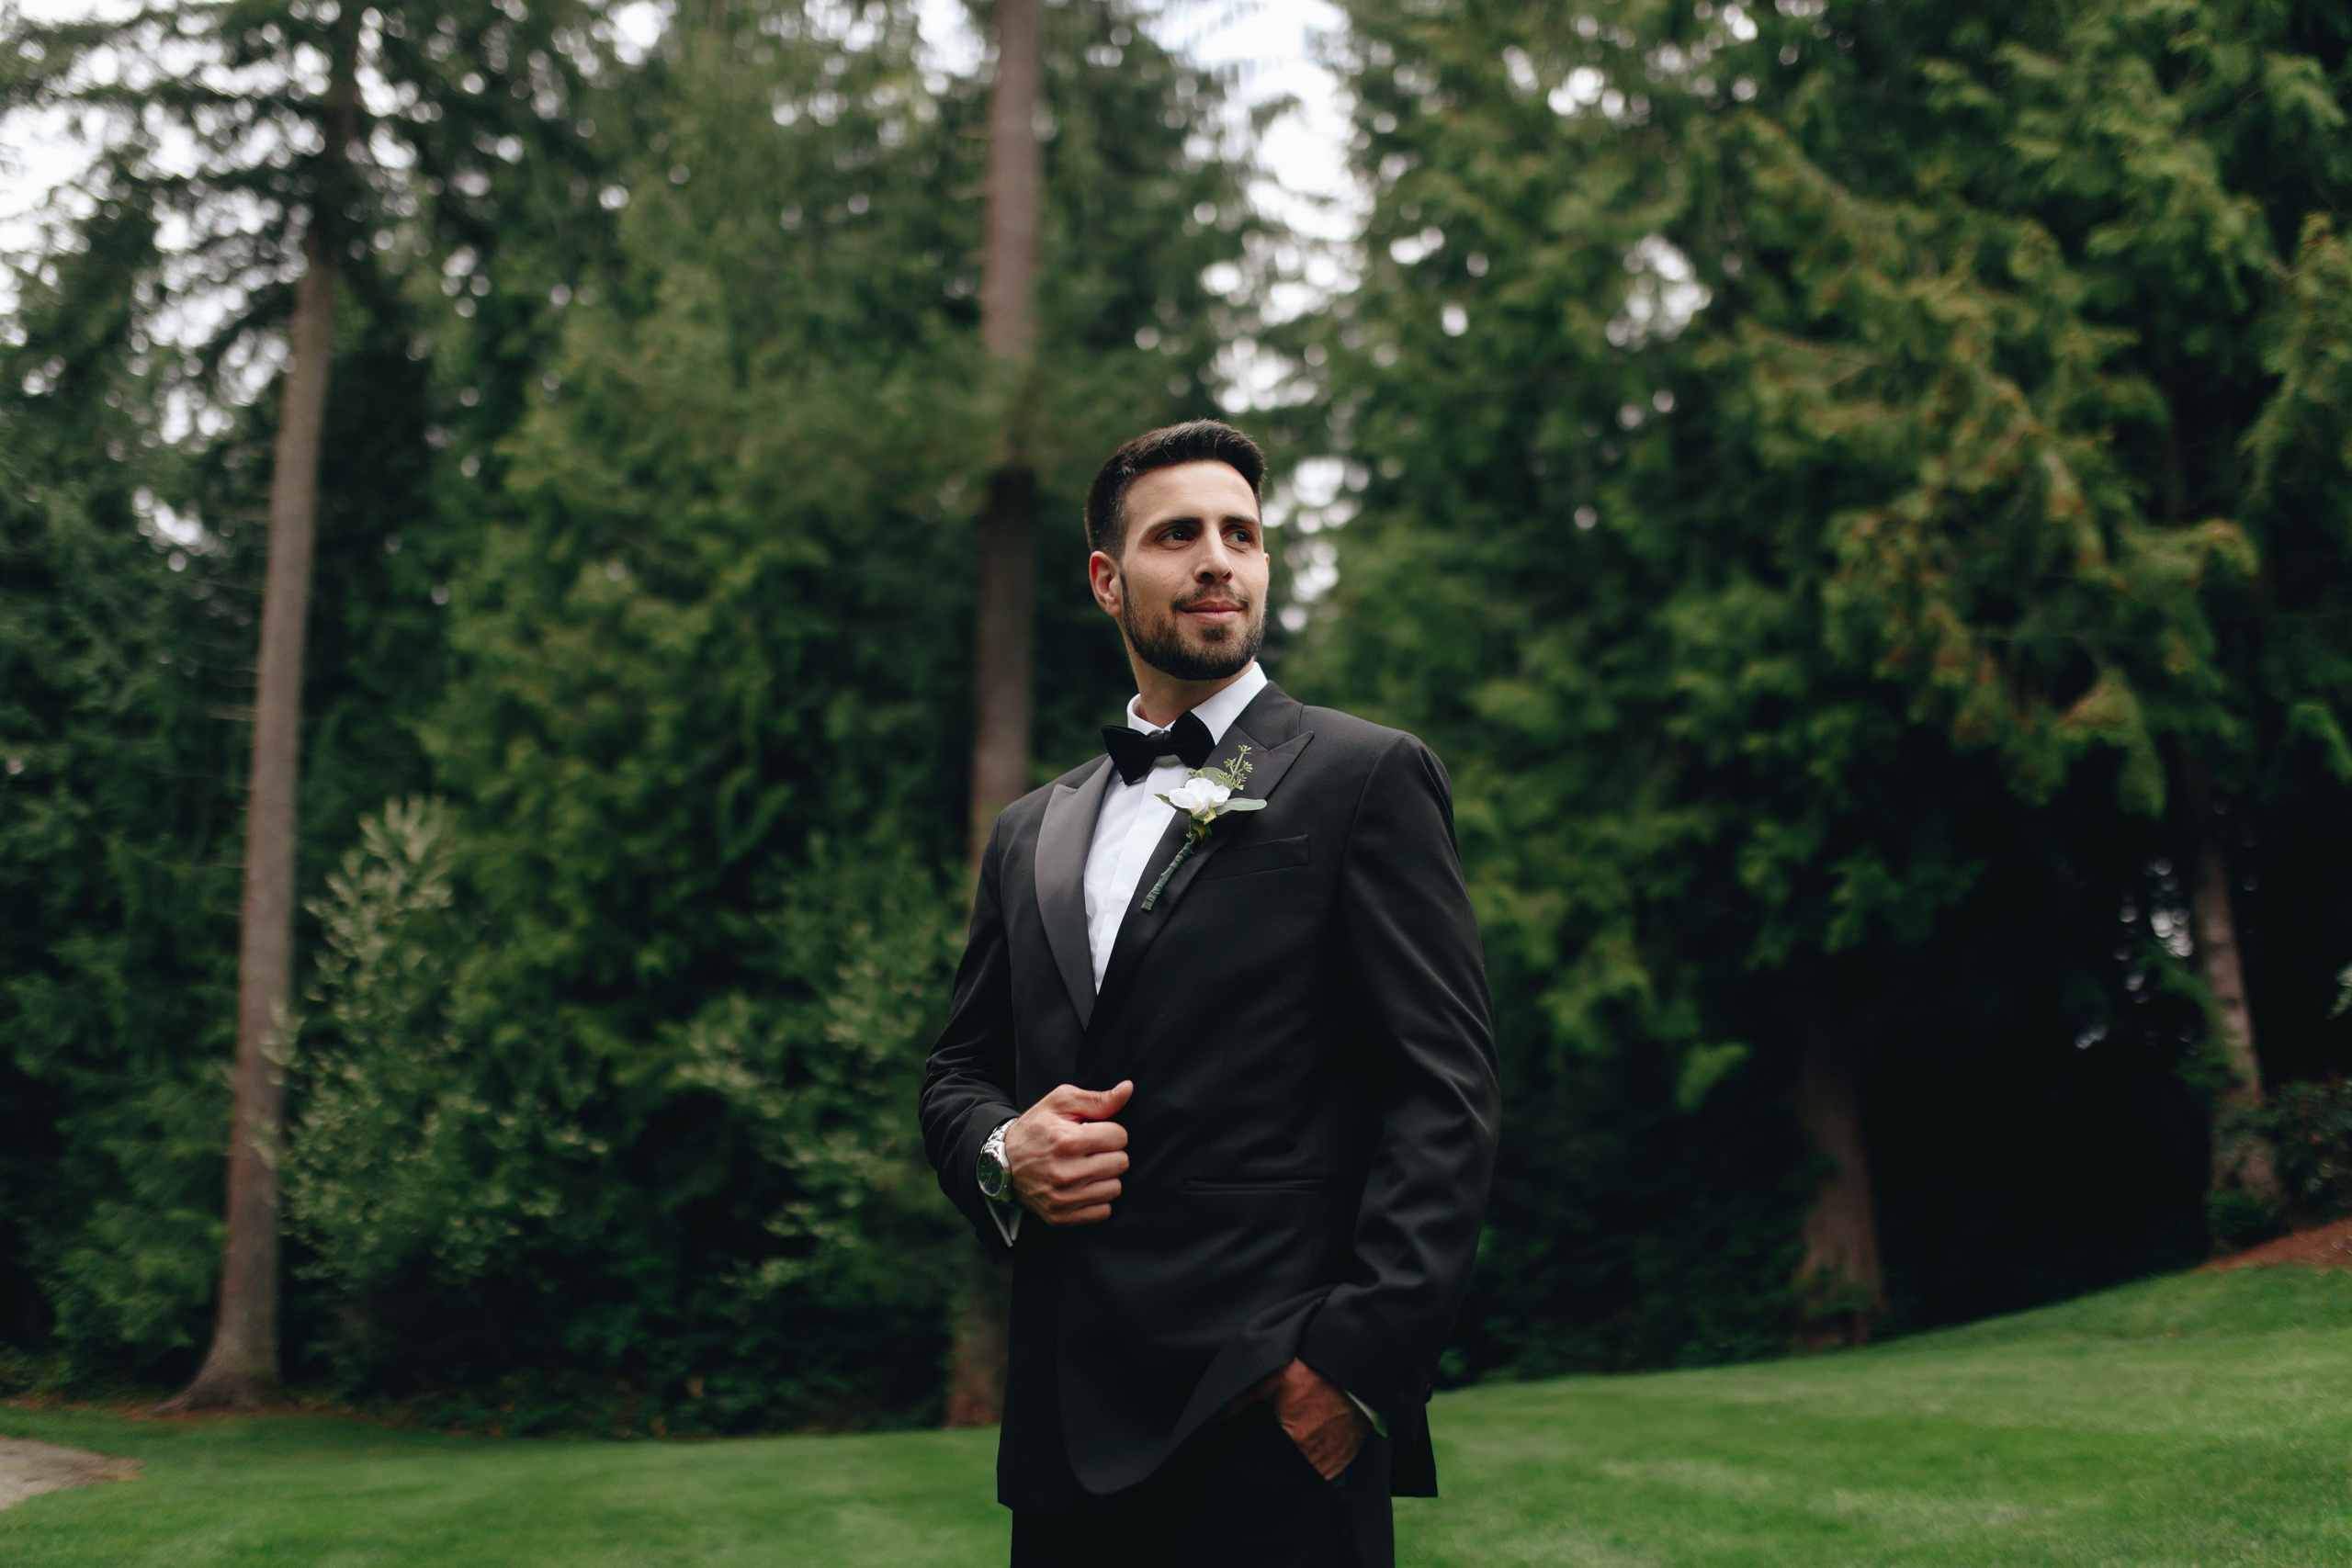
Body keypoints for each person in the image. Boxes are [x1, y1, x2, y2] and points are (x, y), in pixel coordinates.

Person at [921, 419, 1499, 1568]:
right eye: (1177, 534)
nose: (1216, 560)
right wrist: (1003, 1151)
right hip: (1065, 1430)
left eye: (1242, 534)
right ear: (1106, 578)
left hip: (1270, 1416)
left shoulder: (1363, 776)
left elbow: (1445, 1096)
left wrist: (1345, 1370)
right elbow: (958, 1074)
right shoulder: (1031, 830)